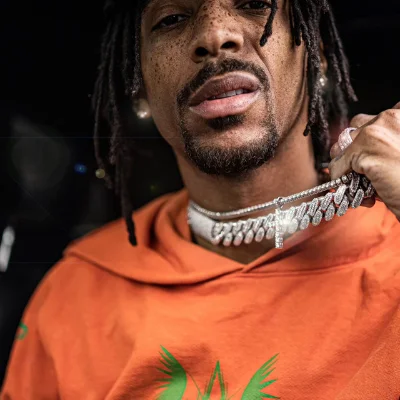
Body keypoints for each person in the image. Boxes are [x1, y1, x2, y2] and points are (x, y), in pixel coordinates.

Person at [1, 0, 400, 398]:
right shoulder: (75, 295)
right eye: (172, 19)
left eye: (254, 4)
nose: (215, 35)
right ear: (140, 87)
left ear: (317, 56)